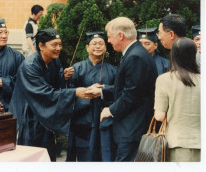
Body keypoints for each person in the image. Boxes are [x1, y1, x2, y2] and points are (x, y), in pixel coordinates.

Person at [9, 28, 90, 162]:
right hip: (28, 116)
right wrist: (75, 92)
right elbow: (45, 93)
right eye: (54, 45)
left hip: (44, 116)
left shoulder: (54, 61)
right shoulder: (29, 66)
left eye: (60, 44)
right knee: (31, 158)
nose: (59, 48)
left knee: (48, 157)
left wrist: (62, 76)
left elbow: (54, 83)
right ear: (41, 45)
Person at [96, 17, 158, 162]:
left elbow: (131, 95)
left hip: (132, 129)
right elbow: (131, 87)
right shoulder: (135, 53)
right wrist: (102, 90)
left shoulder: (135, 57)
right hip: (133, 128)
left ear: (120, 36)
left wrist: (109, 110)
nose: (109, 41)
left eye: (110, 37)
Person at [66, 32, 117, 162]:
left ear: (105, 47)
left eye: (101, 44)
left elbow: (119, 92)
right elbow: (67, 93)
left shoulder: (113, 70)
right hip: (82, 122)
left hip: (103, 121)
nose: (98, 47)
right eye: (94, 44)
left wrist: (104, 90)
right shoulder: (76, 69)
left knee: (104, 156)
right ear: (87, 47)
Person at [154, 37, 200, 162]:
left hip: (176, 143)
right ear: (195, 54)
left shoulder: (164, 79)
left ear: (173, 55)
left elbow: (159, 116)